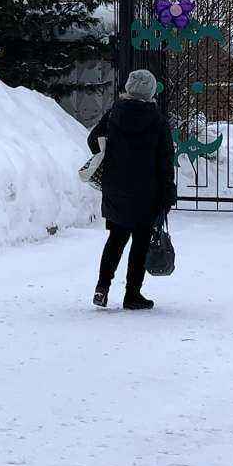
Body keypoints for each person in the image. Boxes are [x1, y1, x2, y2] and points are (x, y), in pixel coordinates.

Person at [86, 68, 176, 311]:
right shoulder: (157, 120)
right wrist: (168, 192)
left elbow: (93, 139)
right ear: (150, 91)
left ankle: (102, 288)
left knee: (115, 239)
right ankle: (132, 294)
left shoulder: (114, 113)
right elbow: (166, 159)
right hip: (147, 191)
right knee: (140, 243)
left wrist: (109, 154)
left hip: (116, 187)